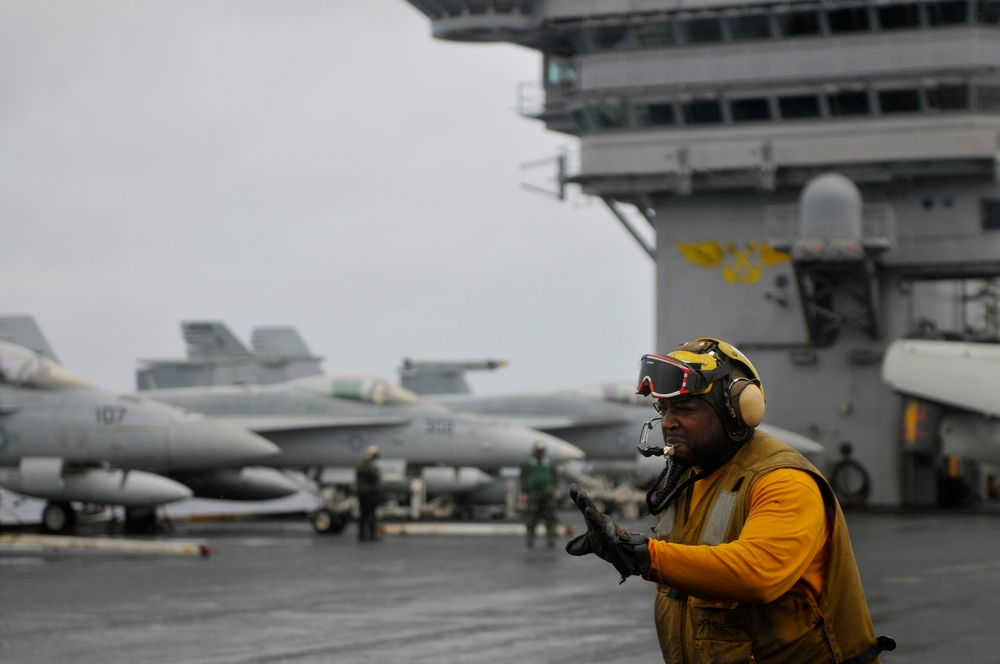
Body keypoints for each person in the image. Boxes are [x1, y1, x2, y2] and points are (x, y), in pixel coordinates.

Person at [566, 337, 895, 663]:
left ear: (736, 410)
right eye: (664, 408)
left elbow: (757, 574)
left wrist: (644, 557)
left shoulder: (783, 479)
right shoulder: (689, 476)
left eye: (685, 409)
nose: (667, 422)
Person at [520, 441, 560, 548]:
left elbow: (555, 476)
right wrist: (524, 492)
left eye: (541, 451)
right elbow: (523, 478)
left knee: (550, 516)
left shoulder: (548, 462)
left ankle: (551, 538)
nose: (540, 453)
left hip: (547, 493)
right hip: (533, 493)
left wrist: (555, 489)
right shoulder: (529, 463)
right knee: (531, 516)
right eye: (538, 451)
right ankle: (530, 538)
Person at [355, 444, 382, 542]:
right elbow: (374, 474)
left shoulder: (363, 463)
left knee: (365, 514)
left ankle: (364, 534)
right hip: (368, 492)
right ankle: (370, 534)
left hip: (365, 492)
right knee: (369, 514)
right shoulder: (367, 464)